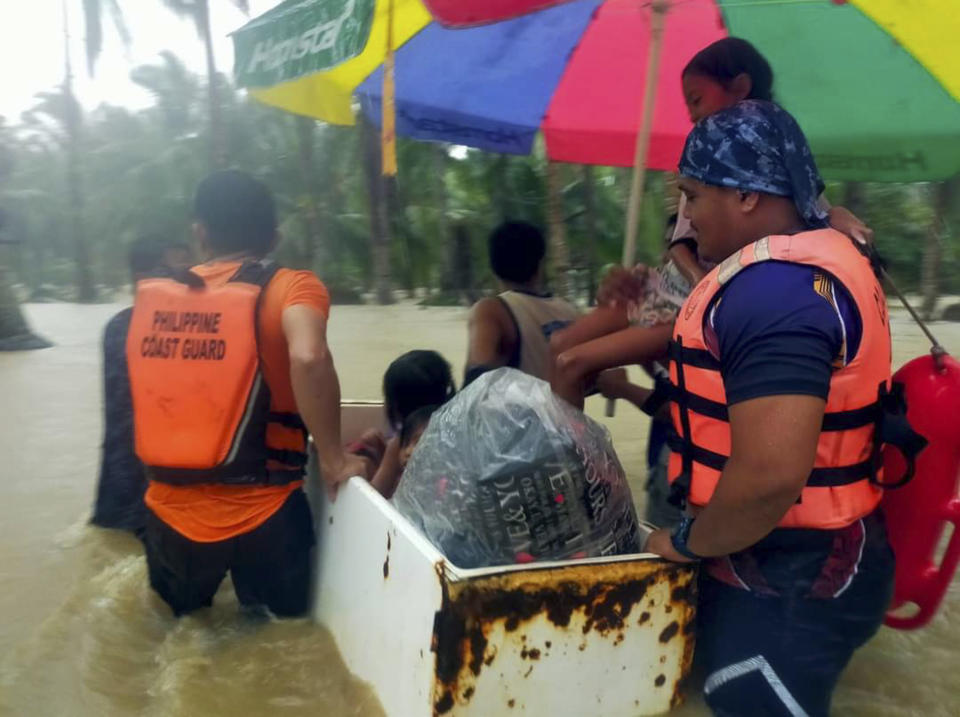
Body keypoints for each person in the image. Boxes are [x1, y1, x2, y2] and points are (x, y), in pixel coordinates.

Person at [644, 101, 898, 717]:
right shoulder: (815, 261)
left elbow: (768, 480)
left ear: (749, 197)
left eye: (694, 195)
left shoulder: (775, 291)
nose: (687, 216)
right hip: (808, 549)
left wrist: (684, 543)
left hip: (797, 574)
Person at [551, 37, 872, 410]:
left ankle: (570, 458)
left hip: (701, 301)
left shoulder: (782, 167)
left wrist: (839, 215)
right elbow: (680, 243)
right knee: (561, 346)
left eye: (697, 99)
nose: (690, 114)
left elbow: (814, 212)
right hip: (678, 288)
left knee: (571, 362)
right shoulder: (707, 160)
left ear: (739, 88)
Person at [128, 170, 368, 618]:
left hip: (168, 515)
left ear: (200, 233)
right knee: (279, 639)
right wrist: (334, 459)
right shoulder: (292, 287)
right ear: (274, 236)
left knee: (179, 635)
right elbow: (310, 356)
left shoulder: (160, 298)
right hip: (265, 512)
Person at [91, 236, 191, 538]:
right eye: (174, 272)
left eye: (190, 272)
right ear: (142, 277)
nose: (186, 281)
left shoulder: (119, 325)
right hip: (142, 490)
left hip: (124, 487)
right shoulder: (139, 327)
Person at [464, 221, 579, 386]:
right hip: (566, 411)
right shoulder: (568, 311)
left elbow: (477, 378)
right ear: (540, 263)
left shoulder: (492, 311)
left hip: (515, 412)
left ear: (493, 266)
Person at [357, 350, 456, 498]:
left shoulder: (401, 442)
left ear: (398, 406)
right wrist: (380, 450)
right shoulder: (455, 428)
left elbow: (376, 494)